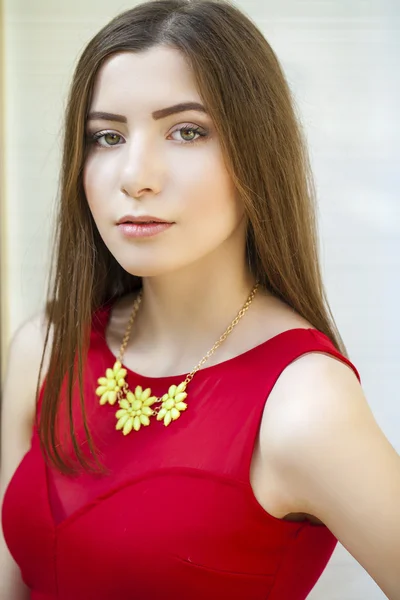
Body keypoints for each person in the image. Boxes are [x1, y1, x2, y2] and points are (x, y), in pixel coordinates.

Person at [1, 0, 399, 598]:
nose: (136, 174)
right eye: (106, 136)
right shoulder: (45, 347)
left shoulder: (303, 403)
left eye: (186, 131)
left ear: (257, 153)